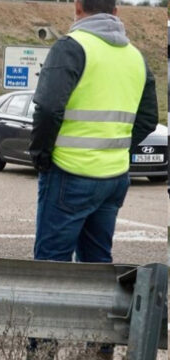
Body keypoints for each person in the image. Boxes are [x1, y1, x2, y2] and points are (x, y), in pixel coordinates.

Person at [28, 0, 157, 358]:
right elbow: (148, 118)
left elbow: (49, 108)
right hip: (113, 177)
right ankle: (99, 349)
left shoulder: (72, 47)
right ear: (116, 11)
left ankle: (42, 350)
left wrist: (42, 156)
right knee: (99, 265)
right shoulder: (135, 56)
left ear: (77, 8)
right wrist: (114, 150)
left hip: (70, 173)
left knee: (50, 268)